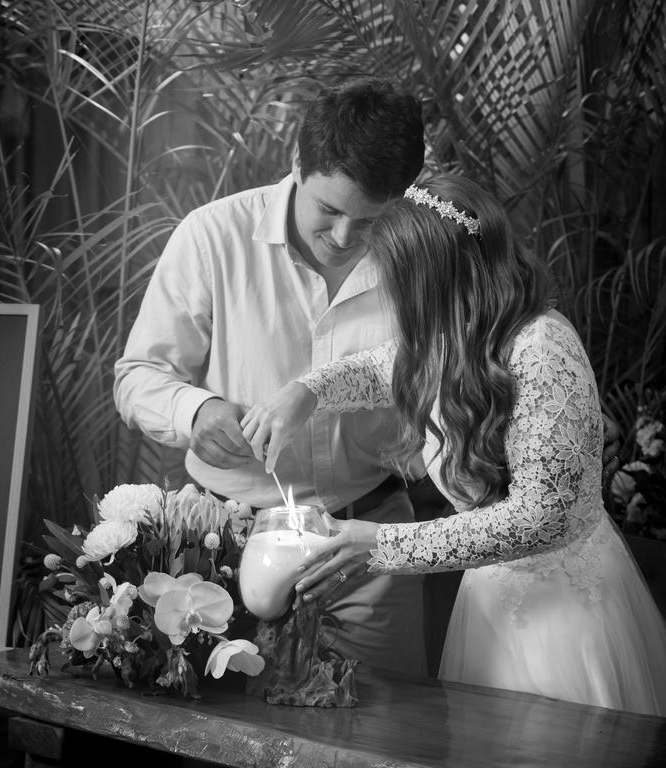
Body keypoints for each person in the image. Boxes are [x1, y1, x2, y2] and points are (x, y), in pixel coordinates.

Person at [240, 174, 666, 715]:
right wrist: (307, 391)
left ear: (441, 276)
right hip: (489, 601)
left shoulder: (542, 346)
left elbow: (545, 517)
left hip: (564, 617)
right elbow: (379, 367)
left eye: (399, 276)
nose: (389, 291)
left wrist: (385, 545)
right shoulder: (454, 331)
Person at [114, 76, 432, 674]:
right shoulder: (213, 237)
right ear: (297, 165)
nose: (344, 238)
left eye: (368, 222)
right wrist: (196, 411)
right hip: (223, 548)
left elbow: (442, 369)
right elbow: (137, 376)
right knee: (220, 737)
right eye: (330, 211)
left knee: (378, 740)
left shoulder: (420, 254)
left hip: (367, 546)